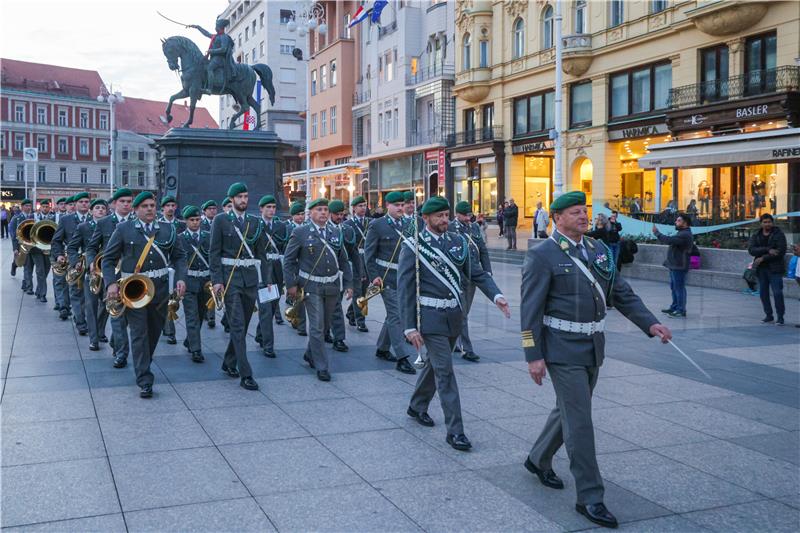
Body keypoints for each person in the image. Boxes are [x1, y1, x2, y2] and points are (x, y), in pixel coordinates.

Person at [521, 191, 672, 529]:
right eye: (575, 213)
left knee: (567, 410)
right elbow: (529, 311)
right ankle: (590, 497)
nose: (583, 217)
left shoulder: (598, 249)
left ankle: (537, 458)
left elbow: (621, 293)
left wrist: (650, 323)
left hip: (592, 346)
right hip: (561, 349)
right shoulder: (542, 255)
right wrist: (533, 355)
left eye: (584, 211)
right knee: (580, 423)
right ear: (557, 218)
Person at [401, 196, 510, 451]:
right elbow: (404, 288)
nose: (444, 220)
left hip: (454, 317)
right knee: (446, 372)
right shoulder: (414, 245)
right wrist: (409, 326)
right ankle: (456, 432)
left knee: (435, 365)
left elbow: (477, 274)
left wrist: (496, 295)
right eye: (438, 216)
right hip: (430, 319)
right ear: (425, 218)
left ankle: (416, 405)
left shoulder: (458, 241)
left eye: (446, 215)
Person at [103, 191, 187, 398]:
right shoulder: (124, 229)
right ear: (136, 209)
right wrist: (111, 284)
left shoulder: (168, 229)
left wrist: (181, 278)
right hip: (133, 289)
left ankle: (143, 363)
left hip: (159, 290)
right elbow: (108, 259)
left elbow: (179, 256)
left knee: (155, 331)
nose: (150, 209)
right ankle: (144, 379)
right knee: (139, 333)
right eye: (145, 206)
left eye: (152, 205)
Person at [209, 182, 273, 391]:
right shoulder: (220, 220)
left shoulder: (254, 222)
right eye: (239, 197)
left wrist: (267, 278)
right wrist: (217, 280)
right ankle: (246, 374)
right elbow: (214, 253)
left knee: (243, 326)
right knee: (237, 325)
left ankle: (228, 361)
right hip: (230, 279)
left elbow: (261, 253)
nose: (243, 200)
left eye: (245, 196)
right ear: (231, 200)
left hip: (250, 280)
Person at [283, 198, 353, 381]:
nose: (323, 213)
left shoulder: (335, 231)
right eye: (319, 209)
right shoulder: (300, 232)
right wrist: (291, 284)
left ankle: (310, 353)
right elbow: (289, 260)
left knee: (325, 325)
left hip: (331, 285)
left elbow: (343, 259)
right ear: (310, 213)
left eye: (325, 210)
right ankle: (322, 366)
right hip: (310, 286)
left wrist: (349, 284)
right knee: (316, 326)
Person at [364, 190, 417, 375]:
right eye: (397, 205)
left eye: (402, 205)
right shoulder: (377, 225)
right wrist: (373, 276)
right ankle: (402, 357)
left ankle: (382, 348)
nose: (401, 208)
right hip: (385, 277)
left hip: (404, 277)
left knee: (393, 316)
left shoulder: (409, 224)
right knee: (397, 315)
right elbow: (369, 254)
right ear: (388, 206)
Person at [88, 188, 135, 368]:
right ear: (114, 204)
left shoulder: (136, 222)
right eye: (122, 201)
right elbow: (92, 247)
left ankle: (117, 342)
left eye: (128, 201)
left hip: (133, 275)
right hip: (112, 276)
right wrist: (92, 262)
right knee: (117, 314)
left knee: (129, 317)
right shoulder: (104, 223)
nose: (126, 204)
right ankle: (121, 353)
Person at [450, 201, 493, 363]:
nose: (469, 218)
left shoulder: (474, 228)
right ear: (458, 214)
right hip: (458, 277)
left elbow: (482, 249)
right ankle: (467, 349)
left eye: (470, 215)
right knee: (462, 314)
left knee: (463, 313)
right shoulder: (450, 228)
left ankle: (452, 340)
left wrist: (487, 270)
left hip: (472, 277)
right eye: (466, 215)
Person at [68, 198, 109, 351]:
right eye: (97, 208)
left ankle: (99, 330)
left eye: (103, 208)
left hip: (109, 270)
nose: (100, 210)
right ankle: (94, 338)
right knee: (91, 306)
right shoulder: (83, 227)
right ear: (91, 211)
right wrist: (76, 261)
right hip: (90, 271)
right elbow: (72, 247)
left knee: (106, 304)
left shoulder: (113, 225)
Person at [254, 194, 290, 358]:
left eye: (273, 207)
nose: (271, 210)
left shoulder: (281, 226)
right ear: (261, 209)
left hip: (277, 268)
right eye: (268, 207)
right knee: (266, 309)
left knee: (274, 305)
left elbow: (285, 247)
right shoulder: (255, 224)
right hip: (263, 269)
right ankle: (268, 345)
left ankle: (261, 333)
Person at [52, 193, 90, 327]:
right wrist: (58, 255)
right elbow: (56, 241)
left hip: (91, 261)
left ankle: (87, 319)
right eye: (81, 202)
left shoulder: (97, 219)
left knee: (89, 292)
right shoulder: (65, 220)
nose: (84, 204)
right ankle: (80, 321)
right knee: (75, 290)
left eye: (87, 201)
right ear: (75, 204)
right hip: (73, 260)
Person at [178, 205, 210, 363]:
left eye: (198, 219)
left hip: (205, 281)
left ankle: (189, 340)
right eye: (192, 220)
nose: (196, 223)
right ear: (186, 221)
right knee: (191, 315)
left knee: (201, 315)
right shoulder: (180, 238)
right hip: (189, 281)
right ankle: (196, 350)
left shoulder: (207, 236)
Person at [748, 213, 787, 325]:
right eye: (765, 222)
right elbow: (751, 250)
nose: (767, 224)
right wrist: (768, 249)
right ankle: (768, 315)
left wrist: (763, 257)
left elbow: (780, 251)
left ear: (772, 223)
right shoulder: (756, 235)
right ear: (761, 223)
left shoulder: (778, 234)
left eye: (769, 222)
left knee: (777, 293)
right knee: (763, 293)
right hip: (761, 269)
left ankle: (780, 317)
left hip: (775, 269)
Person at [652, 214, 693, 318]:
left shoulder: (685, 234)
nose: (676, 222)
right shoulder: (682, 233)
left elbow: (668, 240)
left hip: (679, 266)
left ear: (685, 223)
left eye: (678, 221)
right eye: (676, 220)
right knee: (674, 287)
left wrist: (657, 233)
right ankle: (674, 307)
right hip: (675, 265)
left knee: (679, 288)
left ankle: (680, 310)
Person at [325, 199, 351, 352]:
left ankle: (339, 338)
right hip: (321, 276)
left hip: (338, 275)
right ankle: (325, 332)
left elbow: (349, 257)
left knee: (336, 307)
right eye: (337, 214)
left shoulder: (347, 230)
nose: (340, 217)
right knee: (325, 309)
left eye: (342, 214)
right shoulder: (322, 230)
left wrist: (350, 282)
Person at [159, 195, 185, 345]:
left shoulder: (181, 225)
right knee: (166, 300)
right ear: (162, 208)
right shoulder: (157, 224)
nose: (170, 208)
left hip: (176, 267)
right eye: (167, 205)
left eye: (172, 205)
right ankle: (170, 331)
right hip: (162, 268)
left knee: (175, 300)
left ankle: (166, 325)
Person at [344, 196, 370, 332]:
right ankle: (360, 320)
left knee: (365, 291)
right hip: (355, 260)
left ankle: (351, 312)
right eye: (360, 206)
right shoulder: (348, 224)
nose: (363, 208)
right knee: (358, 291)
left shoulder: (370, 223)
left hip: (368, 258)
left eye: (364, 205)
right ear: (353, 208)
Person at [285, 201, 308, 336]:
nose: (300, 217)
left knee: (301, 297)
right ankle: (298, 321)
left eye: (302, 214)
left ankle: (300, 324)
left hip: (304, 265)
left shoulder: (307, 228)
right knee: (296, 296)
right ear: (292, 215)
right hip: (292, 265)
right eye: (297, 215)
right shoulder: (287, 228)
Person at [31, 199, 56, 304]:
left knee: (45, 271)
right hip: (36, 248)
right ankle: (42, 294)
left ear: (49, 208)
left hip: (48, 248)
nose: (45, 208)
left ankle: (38, 290)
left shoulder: (55, 217)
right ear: (40, 208)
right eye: (43, 207)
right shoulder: (33, 217)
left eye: (47, 207)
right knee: (40, 271)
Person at [10, 199, 35, 293]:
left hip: (32, 245)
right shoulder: (16, 218)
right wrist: (15, 248)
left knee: (28, 266)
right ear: (22, 207)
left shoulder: (34, 217)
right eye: (26, 206)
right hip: (21, 245)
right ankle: (14, 265)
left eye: (29, 206)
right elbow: (13, 235)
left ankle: (26, 284)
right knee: (23, 264)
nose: (28, 207)